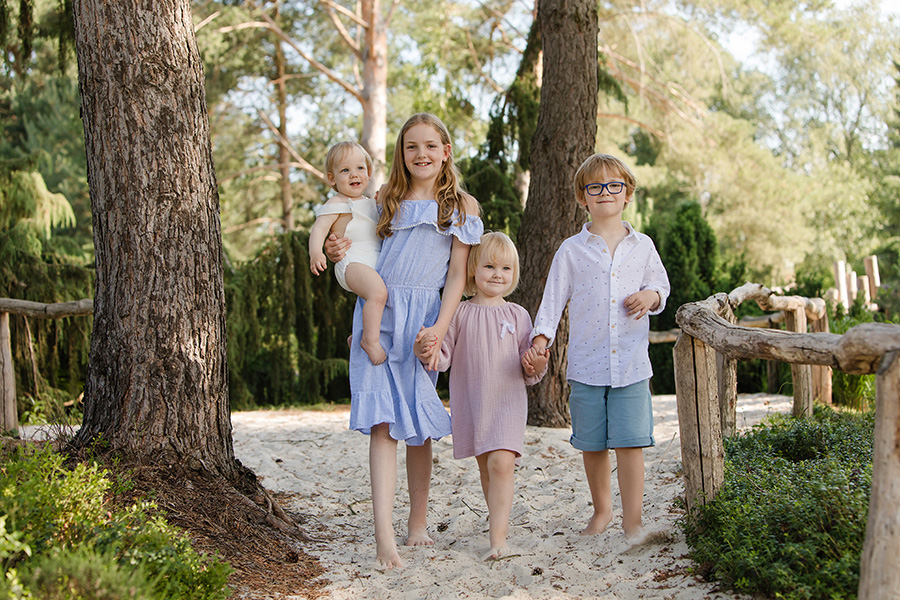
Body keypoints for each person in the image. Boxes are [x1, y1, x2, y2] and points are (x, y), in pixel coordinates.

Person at [324, 113, 483, 568]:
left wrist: (439, 328)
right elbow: (350, 234)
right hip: (380, 313)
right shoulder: (384, 199)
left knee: (416, 423)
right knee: (381, 424)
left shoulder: (461, 207)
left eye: (431, 146)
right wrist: (335, 249)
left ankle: (417, 522)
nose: (422, 154)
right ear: (401, 154)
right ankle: (384, 538)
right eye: (411, 147)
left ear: (446, 151)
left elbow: (457, 276)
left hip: (424, 321)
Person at [530, 153, 670, 542]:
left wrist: (650, 295)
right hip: (587, 364)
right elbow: (552, 301)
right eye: (596, 187)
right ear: (582, 197)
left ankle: (633, 521)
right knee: (592, 443)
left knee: (630, 443)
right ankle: (603, 511)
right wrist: (541, 340)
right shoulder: (571, 250)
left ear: (628, 194)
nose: (605, 192)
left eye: (615, 185)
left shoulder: (642, 246)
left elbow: (662, 286)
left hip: (630, 365)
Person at [414, 232, 549, 561]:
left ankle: (498, 540)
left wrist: (537, 362)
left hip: (508, 402)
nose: (497, 274)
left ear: (513, 274)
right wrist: (425, 349)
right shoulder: (457, 313)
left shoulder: (518, 315)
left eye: (505, 268)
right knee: (488, 468)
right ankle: (497, 525)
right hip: (474, 405)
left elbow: (530, 368)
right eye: (489, 266)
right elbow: (442, 358)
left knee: (502, 464)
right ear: (473, 268)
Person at [308, 142, 388, 365]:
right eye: (345, 170)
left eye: (360, 168)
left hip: (371, 261)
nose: (354, 174)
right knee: (378, 294)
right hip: (352, 262)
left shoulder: (371, 203)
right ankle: (370, 342)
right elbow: (319, 230)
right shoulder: (337, 203)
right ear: (332, 178)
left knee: (384, 296)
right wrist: (316, 253)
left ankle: (360, 333)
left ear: (369, 173)